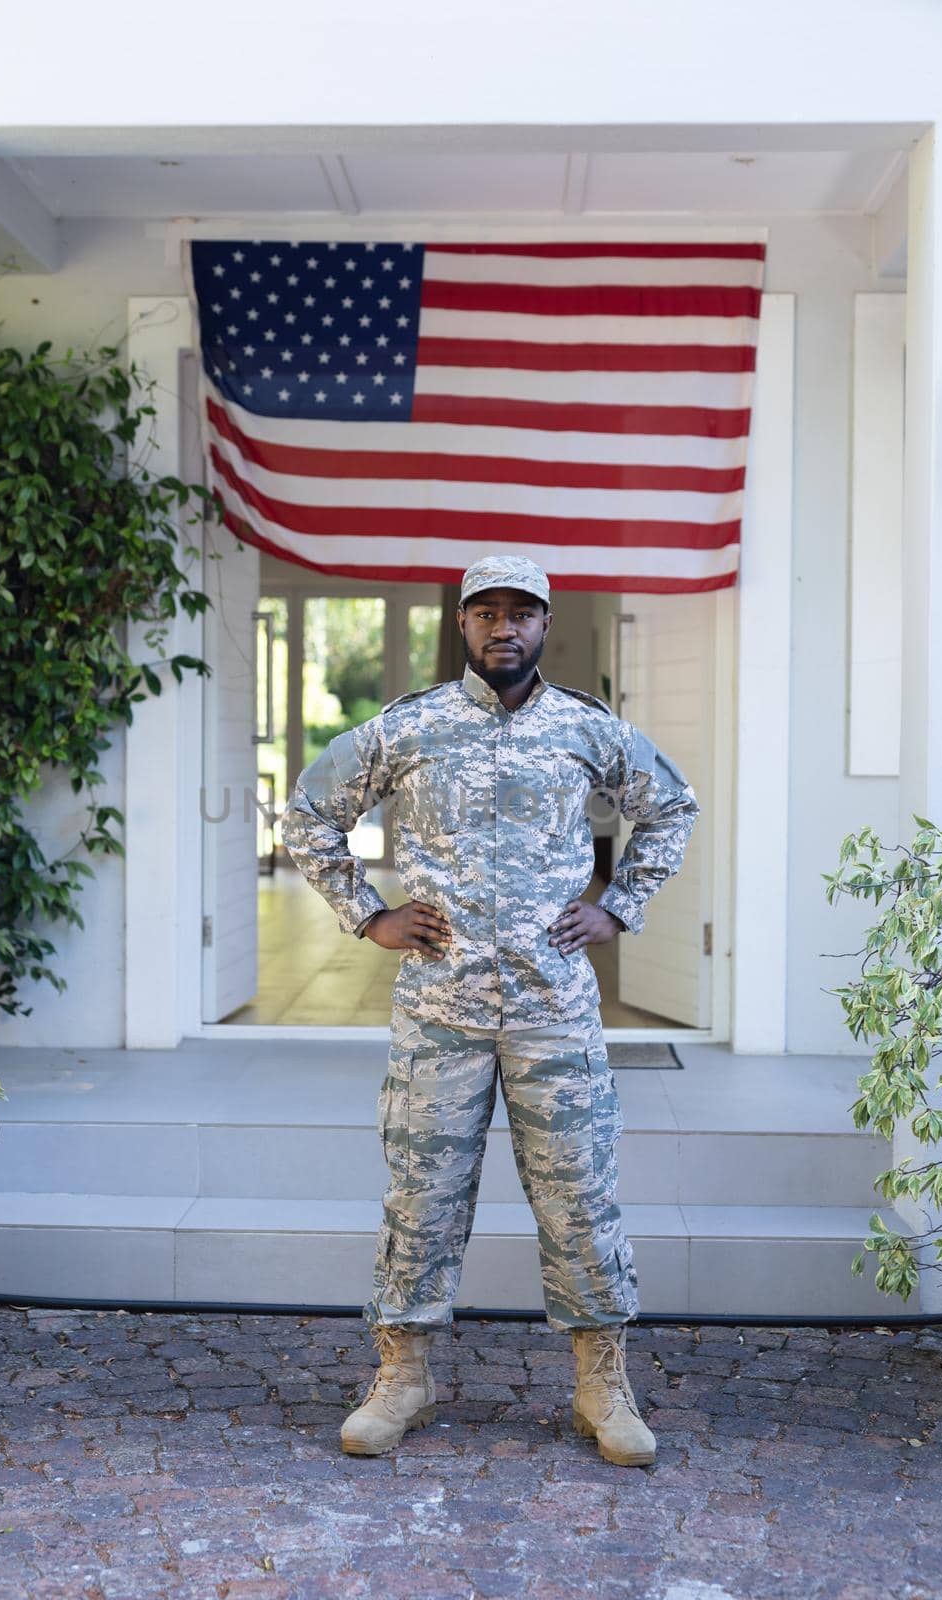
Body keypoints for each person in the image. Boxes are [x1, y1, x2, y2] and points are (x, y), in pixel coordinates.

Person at [280, 554, 700, 1468]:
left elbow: (671, 808)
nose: (502, 628)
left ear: (546, 625)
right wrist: (370, 914)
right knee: (420, 1198)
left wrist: (617, 905)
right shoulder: (413, 728)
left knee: (579, 1198)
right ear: (460, 625)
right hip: (440, 1010)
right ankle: (403, 1377)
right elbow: (309, 812)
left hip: (553, 1008)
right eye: (484, 613)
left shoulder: (587, 732)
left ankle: (601, 1381)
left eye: (521, 613)